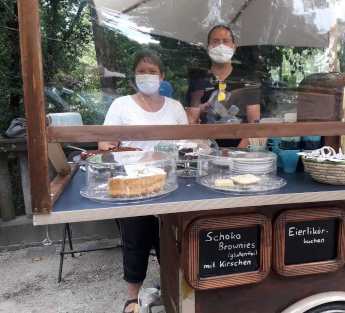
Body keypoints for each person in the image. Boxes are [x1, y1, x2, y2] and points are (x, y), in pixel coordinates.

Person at [98, 50, 188, 313]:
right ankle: (132, 297)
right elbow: (104, 143)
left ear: (162, 76)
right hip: (132, 184)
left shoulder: (175, 107)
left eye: (152, 71)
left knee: (171, 242)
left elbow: (187, 142)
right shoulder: (121, 105)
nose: (147, 76)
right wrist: (113, 148)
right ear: (134, 76)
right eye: (141, 71)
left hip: (169, 183)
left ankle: (172, 291)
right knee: (135, 239)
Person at [186, 25, 261, 147]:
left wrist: (238, 152)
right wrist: (207, 150)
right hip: (207, 151)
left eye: (226, 41)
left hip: (240, 152)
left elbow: (254, 122)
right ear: (208, 48)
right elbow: (192, 124)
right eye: (215, 41)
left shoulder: (247, 81)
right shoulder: (198, 82)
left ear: (234, 47)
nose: (221, 45)